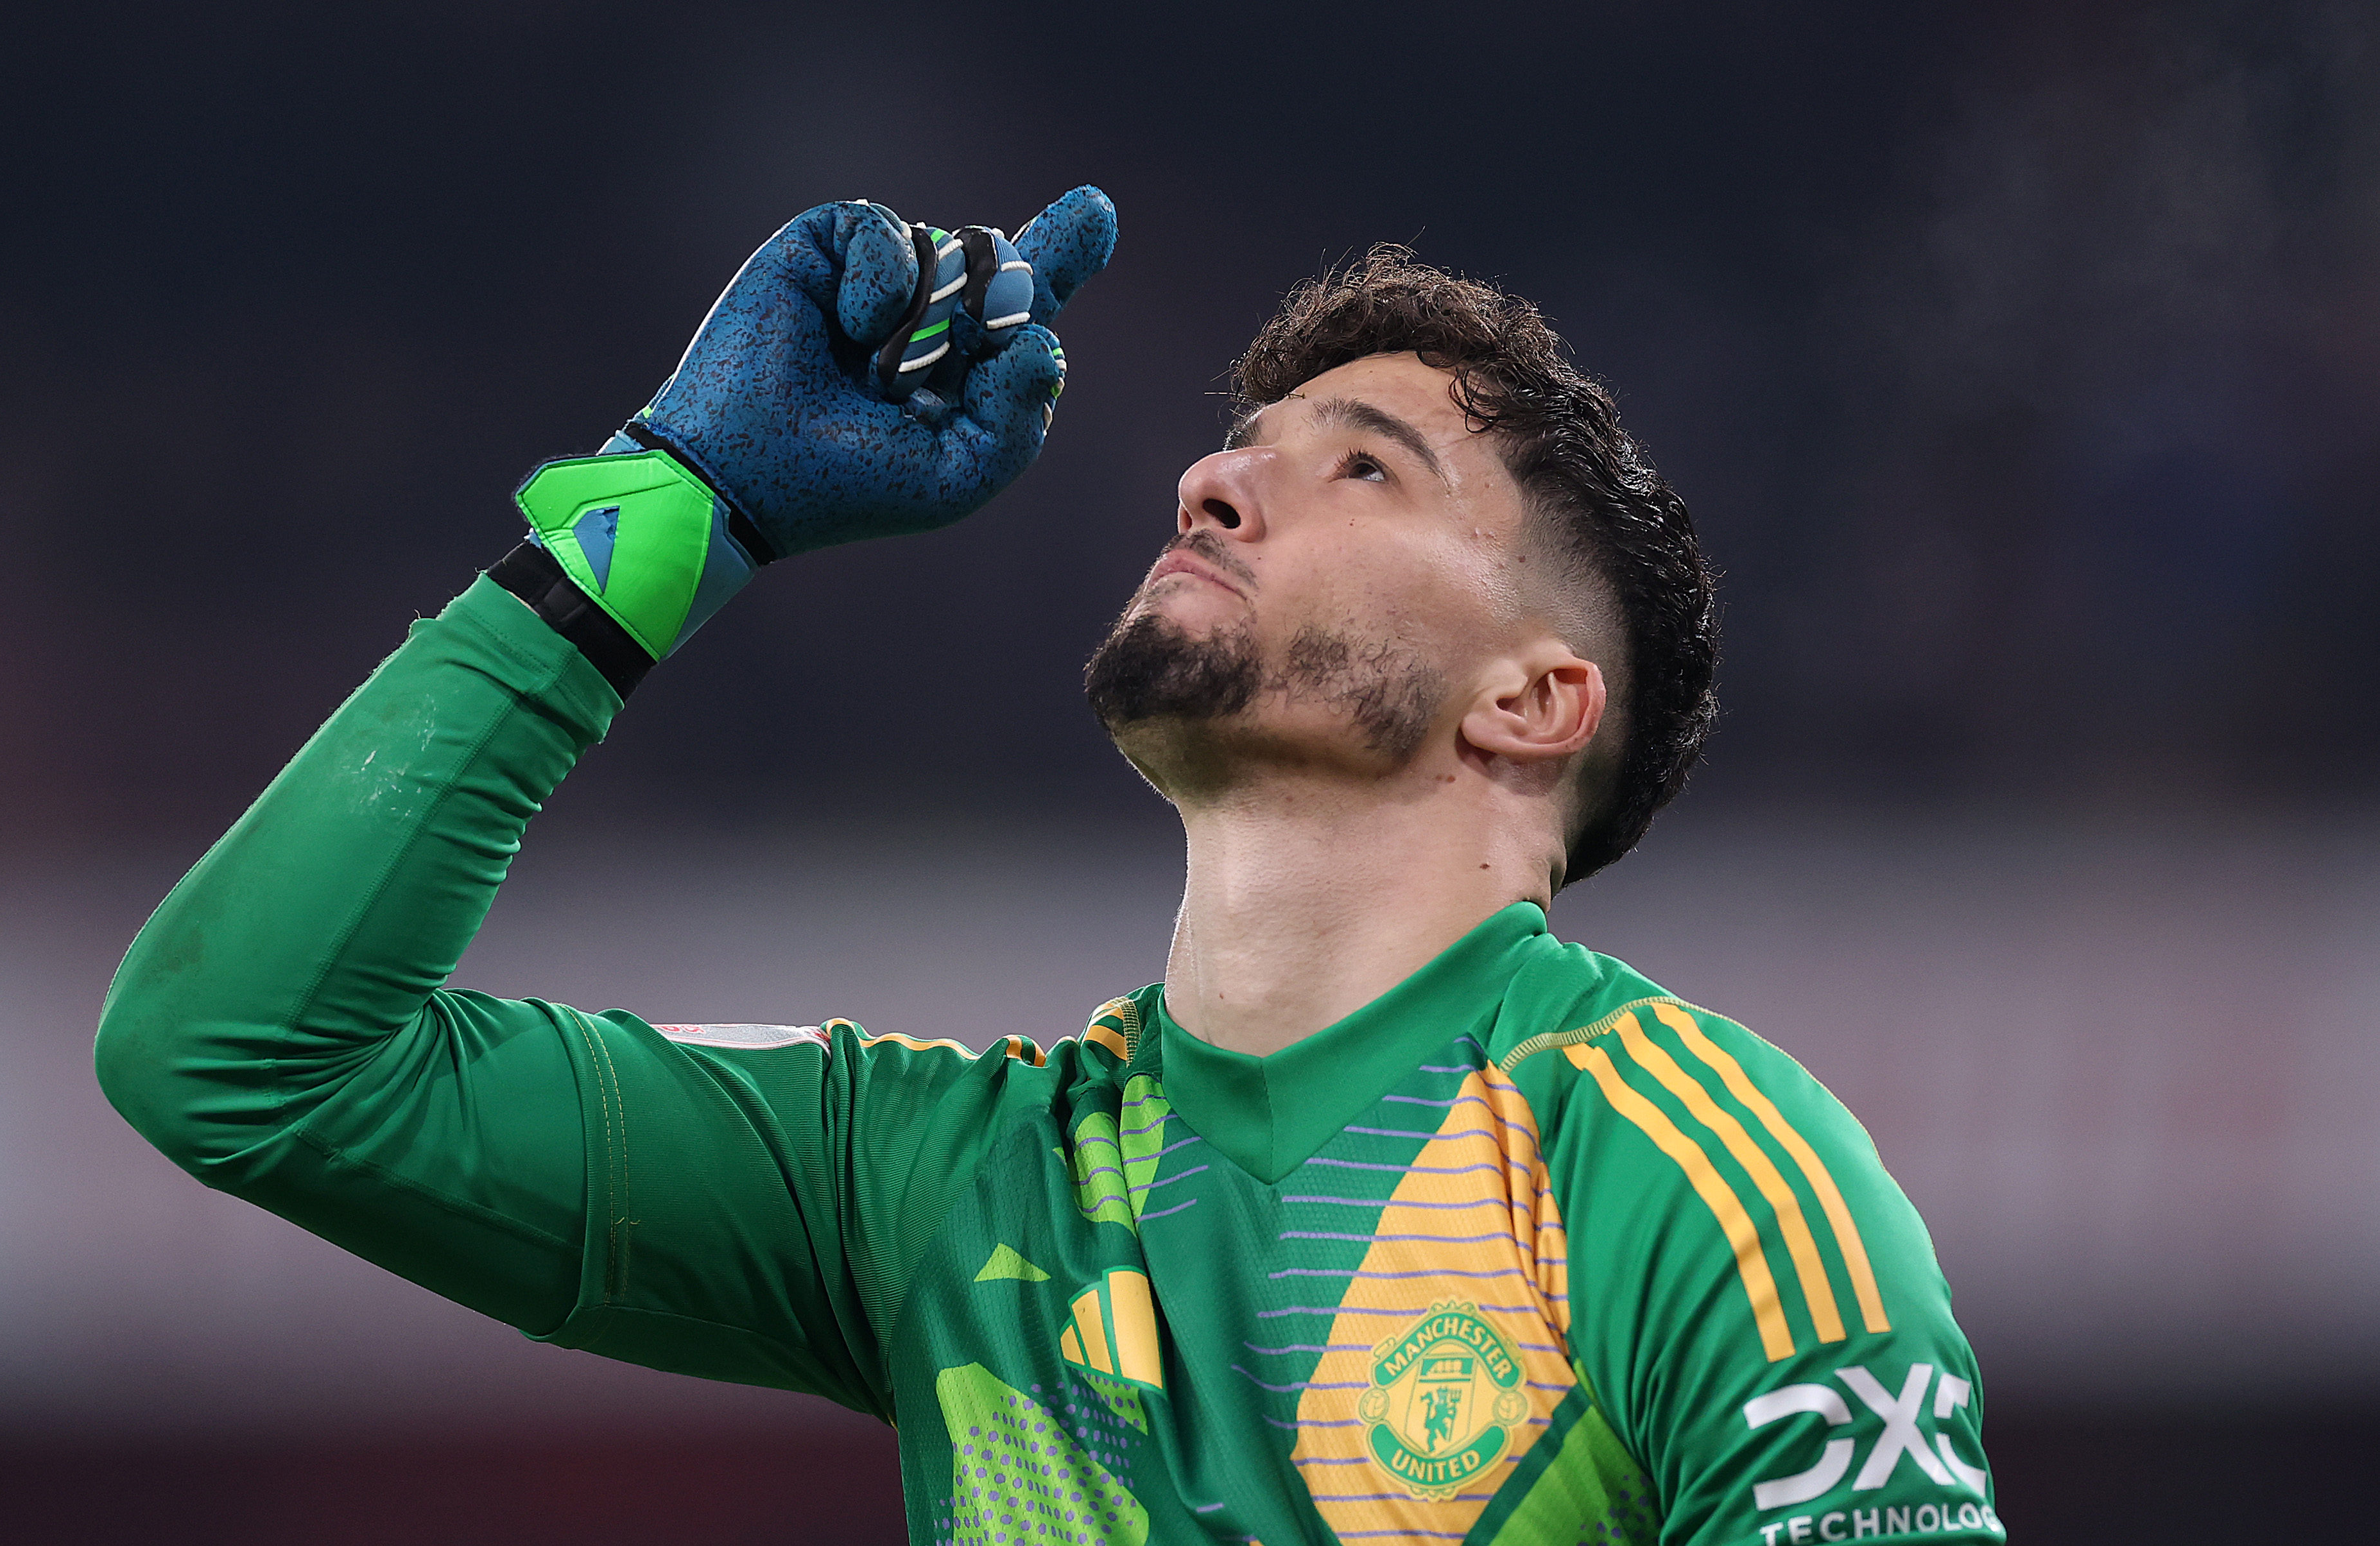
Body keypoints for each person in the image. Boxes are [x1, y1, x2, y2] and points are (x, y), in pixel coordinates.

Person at [96, 185, 2004, 1546]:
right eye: (1235, 448)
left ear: (1532, 700)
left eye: (1361, 469)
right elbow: (243, 1058)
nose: (1211, 482)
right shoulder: (940, 1182)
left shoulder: (1688, 1172)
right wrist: (684, 502)